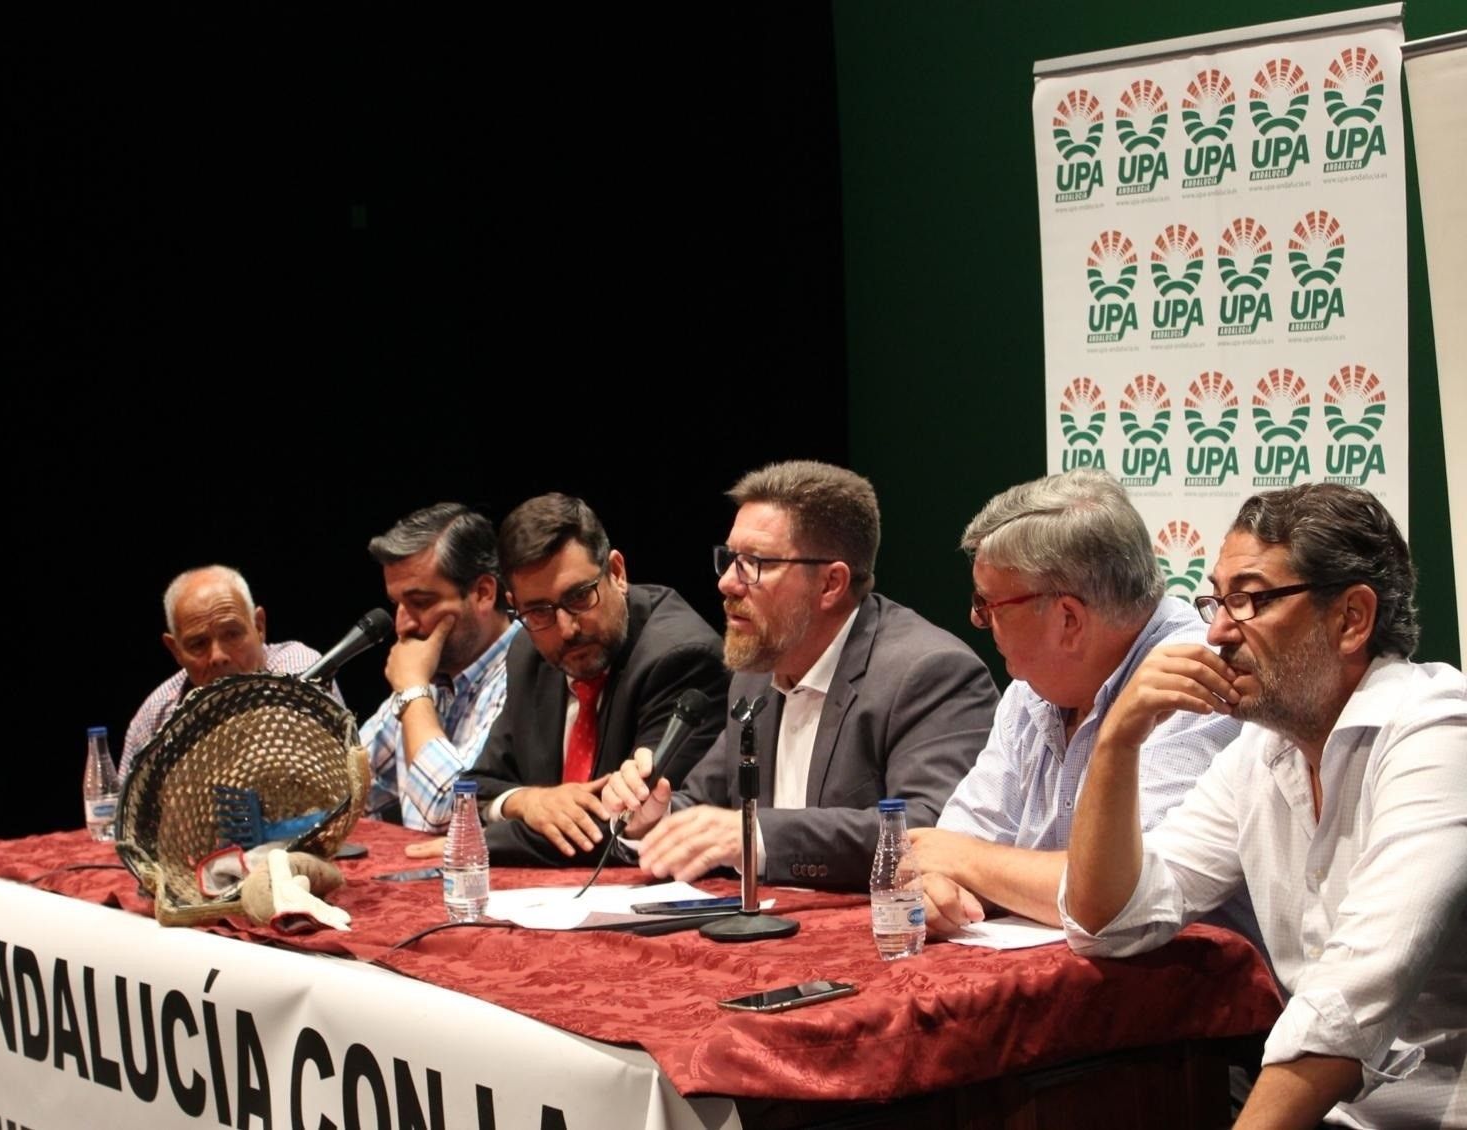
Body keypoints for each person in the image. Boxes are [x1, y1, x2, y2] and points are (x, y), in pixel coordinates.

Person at [1061, 483, 1465, 1128]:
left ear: (1352, 619)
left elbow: (1356, 990)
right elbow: (1110, 922)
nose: (1217, 630)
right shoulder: (1261, 749)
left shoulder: (1442, 732)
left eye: (1248, 599)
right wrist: (1117, 742)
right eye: (1216, 599)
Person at [601, 460, 999, 891]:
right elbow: (704, 806)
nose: (727, 584)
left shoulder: (928, 672)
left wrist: (757, 836)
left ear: (830, 584)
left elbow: (932, 830)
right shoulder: (756, 674)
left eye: (754, 563)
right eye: (730, 559)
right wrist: (652, 817)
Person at [909, 468, 1246, 935]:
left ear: (1068, 619)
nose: (976, 618)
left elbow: (1120, 895)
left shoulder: (1194, 679)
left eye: (989, 606)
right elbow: (940, 854)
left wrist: (966, 861)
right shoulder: (1032, 688)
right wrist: (941, 884)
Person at [405, 492, 728, 867]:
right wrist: (527, 801)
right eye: (539, 610)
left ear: (617, 573)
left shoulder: (681, 659)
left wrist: (487, 841)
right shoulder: (528, 650)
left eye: (578, 597)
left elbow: (626, 821)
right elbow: (479, 787)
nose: (566, 628)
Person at [358, 502, 522, 831]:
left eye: (420, 603)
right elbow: (348, 785)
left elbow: (455, 809)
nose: (402, 626)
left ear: (483, 593)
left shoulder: (528, 670)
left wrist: (412, 692)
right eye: (397, 604)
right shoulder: (432, 676)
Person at [120, 564, 342, 776]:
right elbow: (122, 811)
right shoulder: (154, 717)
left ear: (259, 626)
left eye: (232, 634)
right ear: (175, 650)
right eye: (198, 644)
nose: (218, 657)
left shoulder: (299, 668)